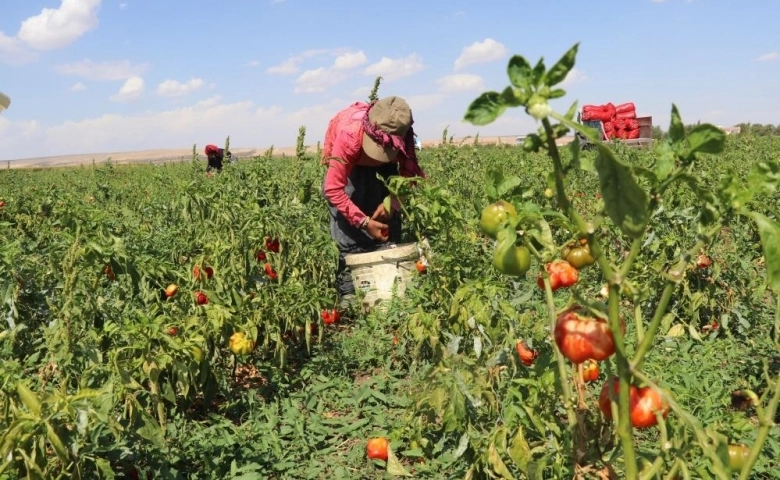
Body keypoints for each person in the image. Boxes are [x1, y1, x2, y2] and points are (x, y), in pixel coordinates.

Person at [321, 96, 426, 305]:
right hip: (353, 154)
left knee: (388, 200)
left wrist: (392, 203)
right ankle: (350, 286)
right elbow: (333, 190)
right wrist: (364, 222)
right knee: (352, 199)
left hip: (379, 145)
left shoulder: (403, 138)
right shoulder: (348, 135)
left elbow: (411, 177)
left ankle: (388, 265)